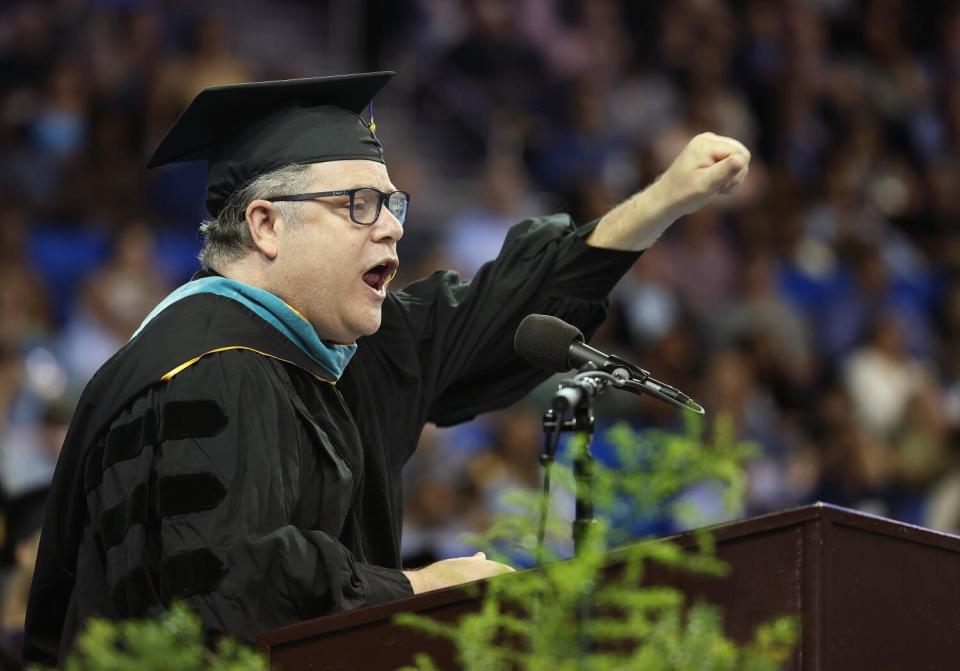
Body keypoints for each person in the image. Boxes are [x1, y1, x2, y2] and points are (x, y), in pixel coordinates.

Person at [23, 71, 750, 665]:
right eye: (359, 204)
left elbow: (498, 314)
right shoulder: (201, 368)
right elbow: (227, 582)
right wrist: (415, 585)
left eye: (393, 202)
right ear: (267, 225)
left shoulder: (340, 353)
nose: (394, 223)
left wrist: (665, 199)